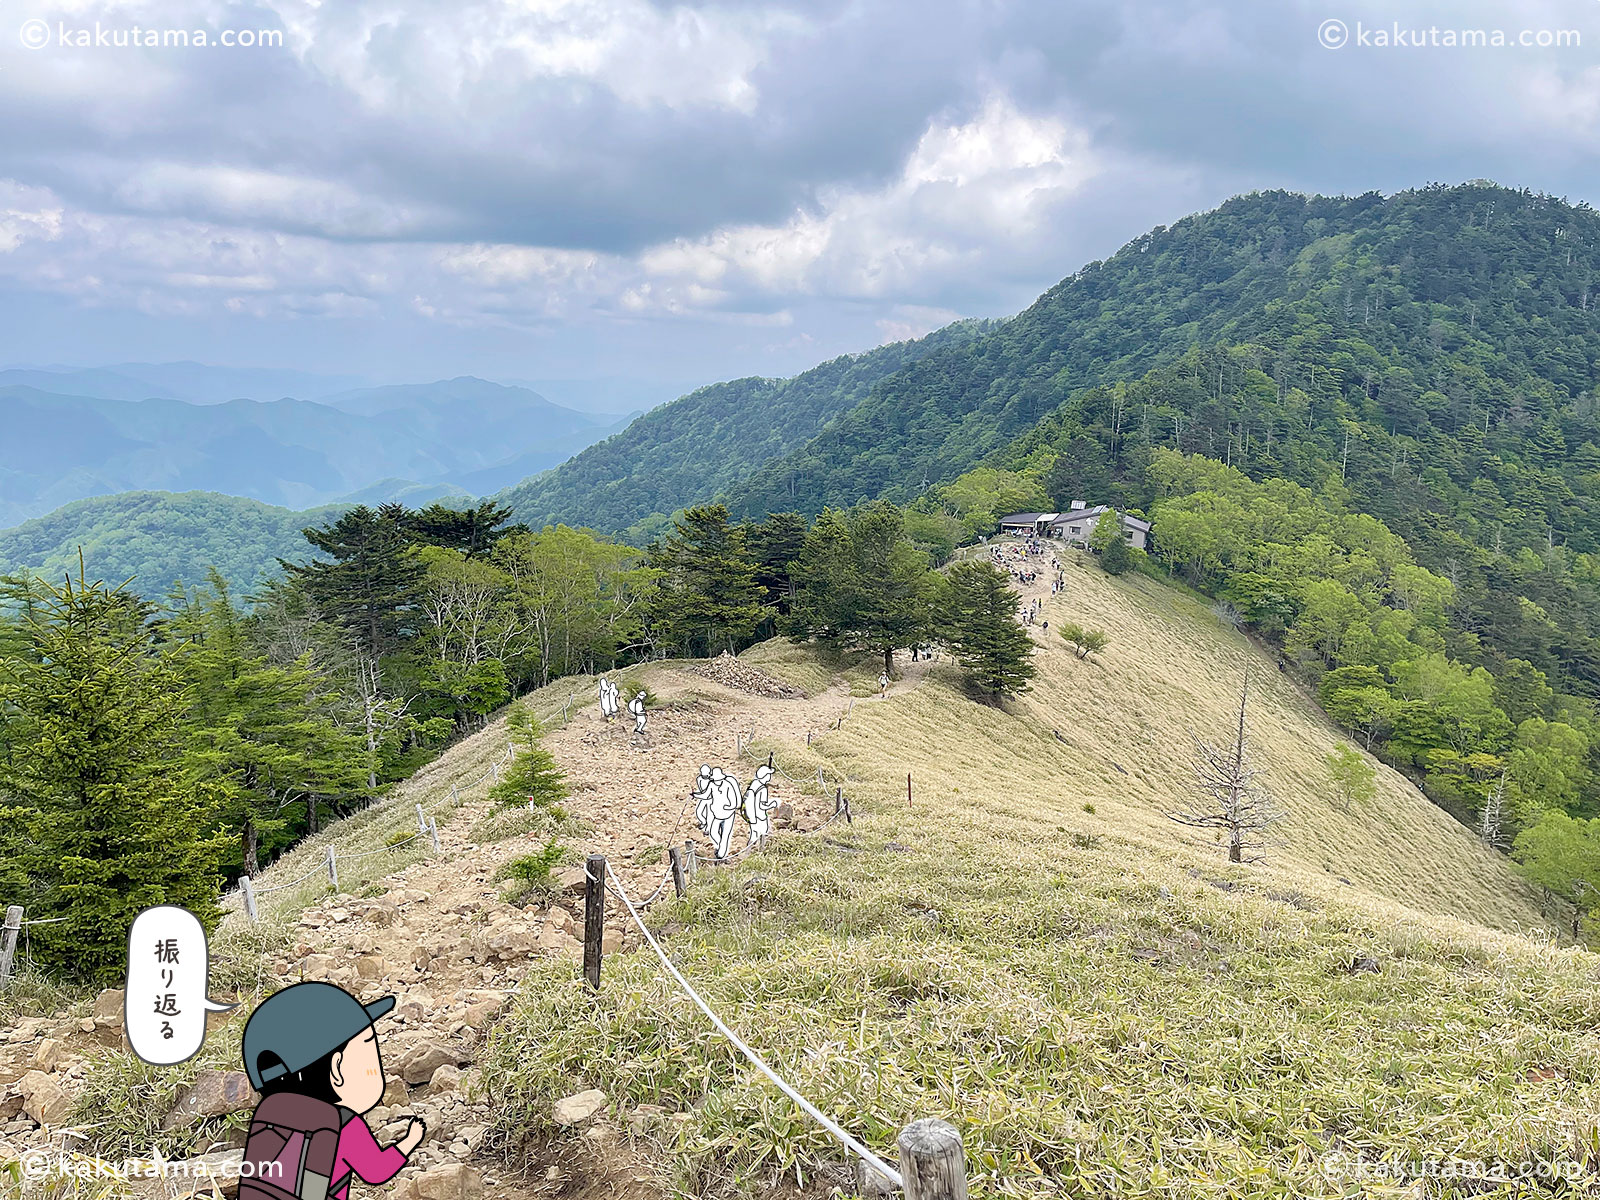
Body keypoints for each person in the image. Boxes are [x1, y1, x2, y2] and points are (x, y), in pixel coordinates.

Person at [241, 982, 424, 1200]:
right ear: (337, 1069)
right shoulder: (345, 1124)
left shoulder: (270, 1110)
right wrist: (411, 1139)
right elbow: (376, 1171)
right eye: (370, 1048)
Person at [706, 767, 742, 859]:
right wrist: (695, 795)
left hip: (728, 815)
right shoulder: (712, 785)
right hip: (717, 814)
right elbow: (705, 795)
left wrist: (729, 807)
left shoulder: (728, 785)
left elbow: (734, 800)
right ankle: (719, 848)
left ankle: (722, 855)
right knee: (713, 832)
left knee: (725, 834)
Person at [743, 765, 777, 848]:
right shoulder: (763, 789)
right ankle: (761, 849)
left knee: (753, 833)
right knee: (763, 831)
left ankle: (748, 851)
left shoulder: (754, 784)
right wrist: (772, 805)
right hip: (760, 814)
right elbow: (762, 805)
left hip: (751, 814)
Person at [691, 764, 714, 832]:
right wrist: (695, 794)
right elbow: (702, 790)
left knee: (709, 814)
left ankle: (708, 829)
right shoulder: (699, 779)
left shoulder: (712, 780)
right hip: (703, 798)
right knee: (699, 811)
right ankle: (703, 822)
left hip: (711, 799)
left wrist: (696, 795)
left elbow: (707, 793)